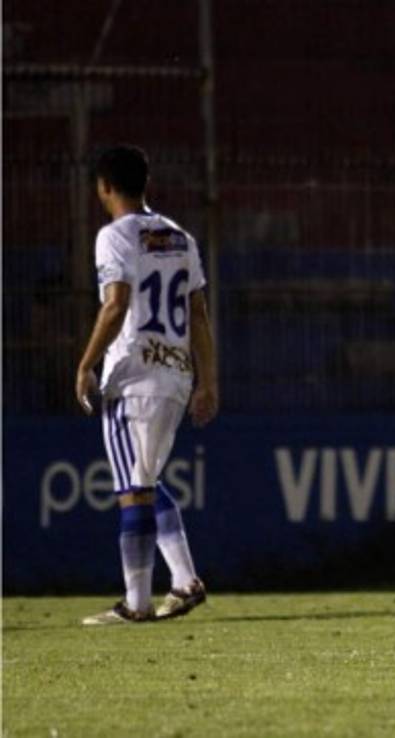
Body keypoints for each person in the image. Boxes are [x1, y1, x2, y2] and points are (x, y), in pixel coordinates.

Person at [75, 145, 219, 625]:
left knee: (133, 488)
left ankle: (136, 603)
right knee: (146, 479)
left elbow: (115, 304)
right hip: (174, 375)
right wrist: (207, 382)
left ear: (104, 187)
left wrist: (86, 363)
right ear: (145, 183)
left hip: (133, 376)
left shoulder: (114, 236)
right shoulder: (180, 237)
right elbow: (199, 314)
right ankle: (185, 581)